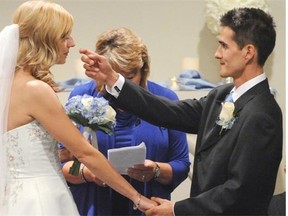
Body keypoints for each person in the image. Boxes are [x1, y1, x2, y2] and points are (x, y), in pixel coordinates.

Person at [80, 7, 283, 215]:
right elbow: (168, 111)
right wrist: (113, 79)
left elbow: (241, 192)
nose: (216, 53)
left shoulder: (263, 113)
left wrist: (177, 210)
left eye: (223, 45)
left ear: (248, 52)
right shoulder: (221, 95)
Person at [0, 1, 156, 215]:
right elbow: (86, 153)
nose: (72, 43)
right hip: (42, 200)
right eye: (65, 36)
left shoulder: (10, 86)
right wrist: (137, 198)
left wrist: (60, 155)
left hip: (15, 200)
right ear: (46, 39)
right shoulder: (35, 89)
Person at [60, 27, 190, 216]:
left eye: (128, 78)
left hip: (147, 206)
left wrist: (154, 170)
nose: (116, 85)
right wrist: (89, 173)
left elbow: (181, 164)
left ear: (143, 69)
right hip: (94, 206)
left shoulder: (164, 99)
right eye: (110, 76)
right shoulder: (83, 97)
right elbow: (62, 162)